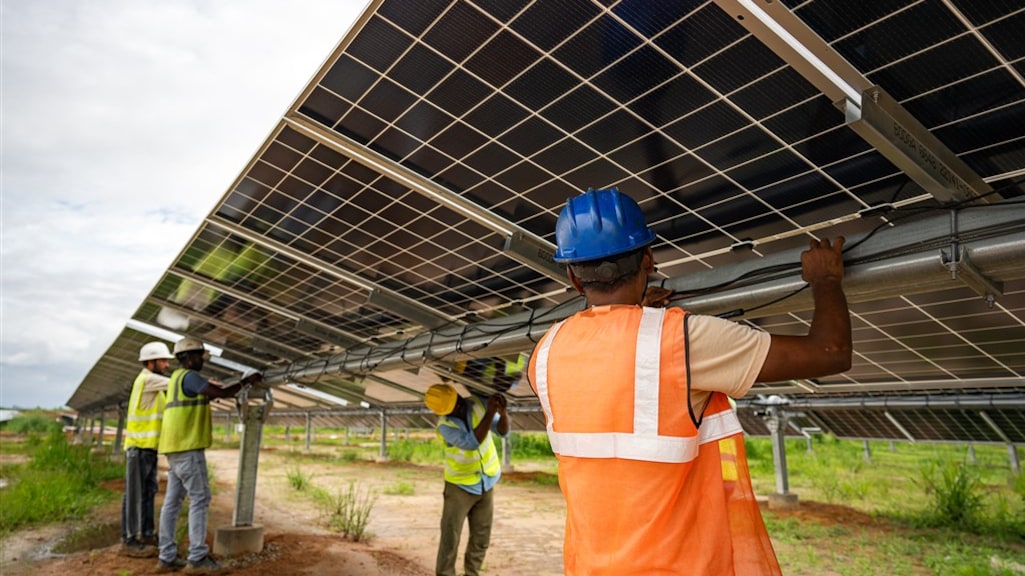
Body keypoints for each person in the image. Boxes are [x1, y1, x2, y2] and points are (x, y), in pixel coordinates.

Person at [527, 188, 852, 575]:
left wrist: (638, 318)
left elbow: (611, 370)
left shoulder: (546, 353)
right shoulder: (685, 340)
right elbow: (831, 352)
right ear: (648, 259)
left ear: (573, 278)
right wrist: (826, 279)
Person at [156, 336, 245, 574]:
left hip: (174, 450)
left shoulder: (175, 378)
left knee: (171, 504)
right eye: (199, 355)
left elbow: (206, 392)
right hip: (188, 448)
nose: (202, 359)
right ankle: (197, 558)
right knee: (200, 499)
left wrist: (215, 388)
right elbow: (221, 393)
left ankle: (166, 556)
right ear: (188, 357)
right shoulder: (190, 376)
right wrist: (246, 382)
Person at [424, 383, 510, 576]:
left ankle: (472, 573)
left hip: (486, 482)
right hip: (460, 487)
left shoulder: (478, 404)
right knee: (450, 537)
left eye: (459, 402)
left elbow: (503, 432)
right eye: (454, 408)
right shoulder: (445, 427)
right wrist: (490, 413)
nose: (460, 407)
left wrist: (502, 413)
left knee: (481, 537)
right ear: (444, 412)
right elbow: (472, 443)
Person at [120, 341, 175, 558]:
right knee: (134, 494)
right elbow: (176, 385)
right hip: (138, 449)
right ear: (150, 362)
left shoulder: (154, 384)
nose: (167, 364)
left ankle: (147, 533)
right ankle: (129, 540)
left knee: (148, 492)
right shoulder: (148, 379)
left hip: (148, 450)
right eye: (163, 360)